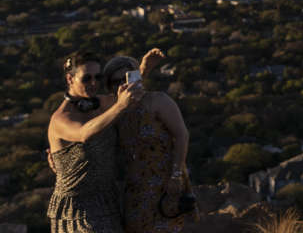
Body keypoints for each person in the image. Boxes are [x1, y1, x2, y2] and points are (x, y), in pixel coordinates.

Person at [47, 52, 144, 233]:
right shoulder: (61, 118)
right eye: (86, 78)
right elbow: (84, 133)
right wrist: (120, 106)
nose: (93, 83)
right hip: (78, 209)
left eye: (98, 77)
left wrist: (144, 69)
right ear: (70, 78)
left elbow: (130, 96)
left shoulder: (101, 104)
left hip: (107, 200)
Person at [101, 51, 193, 233]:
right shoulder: (114, 111)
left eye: (126, 78)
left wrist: (176, 175)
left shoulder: (158, 101)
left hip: (165, 181)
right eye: (116, 81)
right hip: (134, 187)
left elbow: (182, 135)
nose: (123, 84)